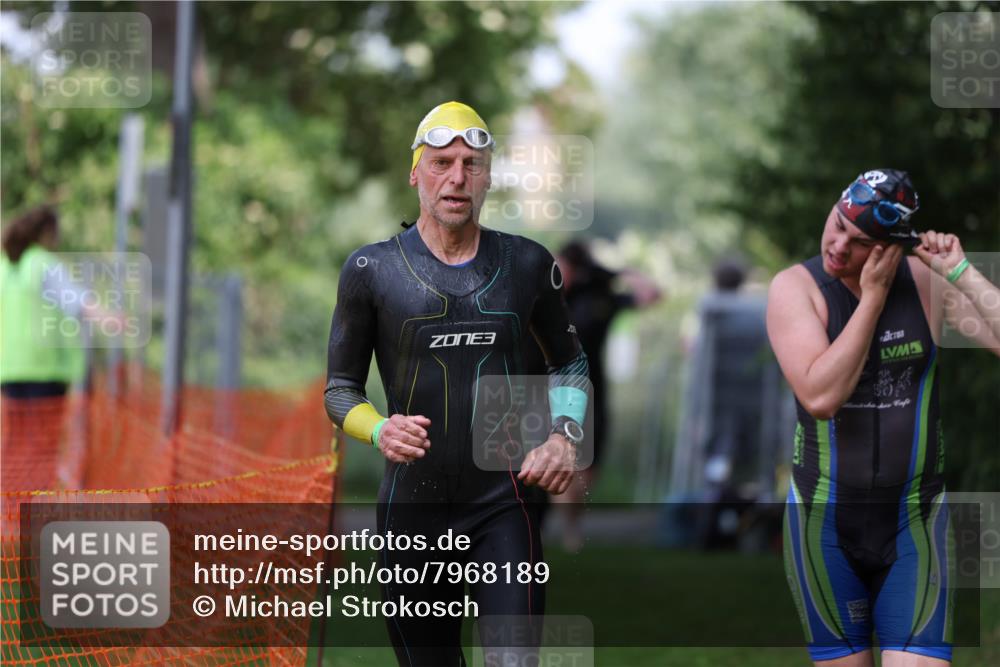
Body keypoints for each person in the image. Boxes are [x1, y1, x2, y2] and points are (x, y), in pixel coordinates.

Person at [323, 101, 589, 666]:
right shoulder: (372, 271)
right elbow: (340, 389)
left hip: (504, 504)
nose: (457, 178)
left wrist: (565, 436)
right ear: (415, 171)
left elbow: (569, 363)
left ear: (489, 175)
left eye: (472, 163)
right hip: (412, 512)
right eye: (442, 162)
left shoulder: (526, 264)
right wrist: (378, 431)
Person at [766, 169, 1000, 667]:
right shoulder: (795, 289)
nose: (838, 243)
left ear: (890, 248)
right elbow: (820, 396)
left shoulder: (923, 284)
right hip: (824, 522)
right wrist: (871, 298)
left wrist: (960, 271)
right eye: (838, 221)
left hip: (914, 518)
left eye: (859, 239)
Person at [531, 241, 660, 550]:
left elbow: (652, 295)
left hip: (594, 391)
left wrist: (622, 272)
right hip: (554, 390)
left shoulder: (600, 298)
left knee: (589, 464)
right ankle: (567, 530)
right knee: (558, 454)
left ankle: (569, 521)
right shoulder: (548, 300)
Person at [0, 205, 85, 490]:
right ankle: (30, 515)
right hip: (44, 371)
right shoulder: (44, 264)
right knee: (40, 448)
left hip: (10, 371)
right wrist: (112, 318)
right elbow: (76, 301)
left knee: (15, 445)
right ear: (47, 232)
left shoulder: (6, 266)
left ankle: (9, 515)